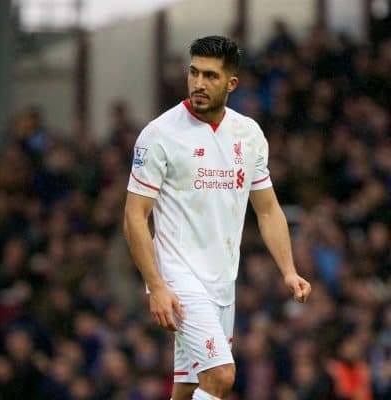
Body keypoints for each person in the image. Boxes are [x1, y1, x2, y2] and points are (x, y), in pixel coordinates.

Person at [123, 35, 312, 400]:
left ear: (231, 83)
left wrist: (288, 270)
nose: (198, 83)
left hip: (222, 281)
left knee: (190, 386)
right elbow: (134, 216)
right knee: (222, 376)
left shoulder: (249, 134)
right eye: (193, 72)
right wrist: (157, 286)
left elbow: (268, 209)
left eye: (209, 76)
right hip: (179, 278)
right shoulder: (160, 134)